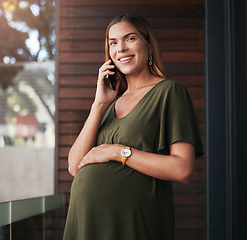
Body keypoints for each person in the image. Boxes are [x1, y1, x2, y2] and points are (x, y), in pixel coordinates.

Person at [63, 13, 204, 240]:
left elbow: (183, 169)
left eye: (130, 39)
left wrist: (117, 152)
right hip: (86, 223)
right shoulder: (110, 104)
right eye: (113, 43)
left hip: (132, 225)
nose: (121, 49)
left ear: (148, 45)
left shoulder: (169, 92)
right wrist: (99, 105)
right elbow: (74, 165)